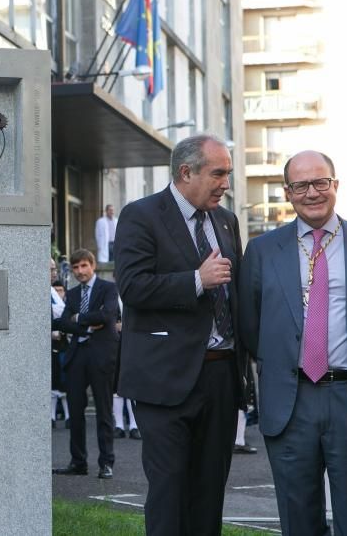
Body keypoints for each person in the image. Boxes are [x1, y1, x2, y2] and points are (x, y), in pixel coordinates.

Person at [239, 150, 347, 536]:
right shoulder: (261, 251)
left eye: (320, 182)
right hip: (290, 402)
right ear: (287, 192)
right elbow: (251, 326)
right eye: (301, 185)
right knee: (299, 520)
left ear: (335, 185)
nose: (312, 192)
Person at [115, 133, 244, 536]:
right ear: (186, 172)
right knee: (169, 490)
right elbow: (132, 287)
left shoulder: (226, 220)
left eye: (228, 173)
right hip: (164, 380)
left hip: (221, 376)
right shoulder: (141, 215)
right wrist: (195, 280)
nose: (226, 183)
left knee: (209, 491)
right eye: (218, 173)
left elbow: (235, 294)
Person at [52, 249, 120, 480]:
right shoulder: (71, 295)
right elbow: (62, 323)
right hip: (77, 355)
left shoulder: (108, 288)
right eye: (75, 267)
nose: (80, 271)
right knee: (76, 411)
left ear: (92, 265)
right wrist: (87, 326)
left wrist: (79, 318)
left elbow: (109, 315)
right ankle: (78, 461)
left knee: (103, 410)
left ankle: (106, 463)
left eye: (83, 266)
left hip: (101, 355)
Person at [50, 259, 69, 428]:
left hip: (62, 344)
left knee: (63, 382)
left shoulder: (53, 293)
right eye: (51, 269)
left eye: (55, 269)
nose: (54, 272)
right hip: (50, 345)